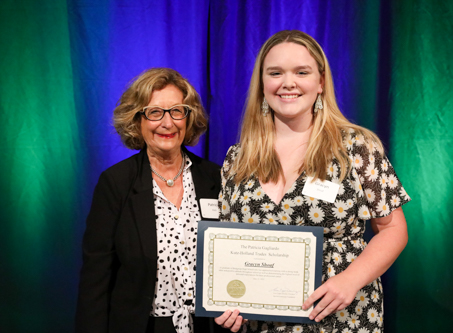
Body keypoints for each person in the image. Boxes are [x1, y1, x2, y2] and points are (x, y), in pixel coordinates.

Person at [216, 30, 410, 332]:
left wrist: (350, 280)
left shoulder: (357, 147)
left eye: (301, 72)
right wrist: (225, 299)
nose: (288, 83)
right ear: (262, 84)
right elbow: (230, 246)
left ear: (320, 82)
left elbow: (393, 229)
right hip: (263, 322)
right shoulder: (237, 158)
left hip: (341, 317)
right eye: (275, 73)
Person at [76, 68, 223, 333]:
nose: (168, 123)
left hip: (207, 326)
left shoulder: (215, 178)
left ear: (189, 118)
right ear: (137, 120)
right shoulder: (116, 183)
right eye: (155, 112)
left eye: (177, 111)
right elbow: (96, 279)